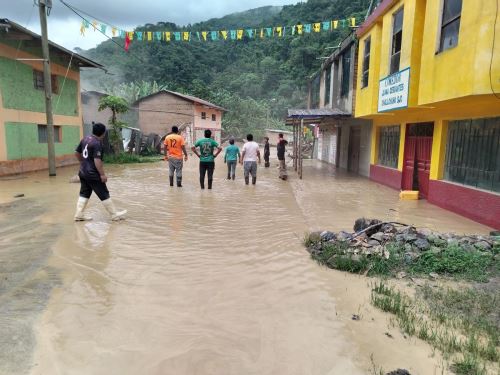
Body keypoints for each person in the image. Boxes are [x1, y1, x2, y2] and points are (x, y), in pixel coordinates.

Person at [74, 122, 127, 221]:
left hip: (83, 172)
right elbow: (97, 160)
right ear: (103, 133)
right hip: (92, 173)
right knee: (103, 193)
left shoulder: (85, 139)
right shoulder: (97, 143)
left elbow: (77, 153)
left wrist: (83, 162)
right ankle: (114, 215)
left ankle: (79, 214)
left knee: (85, 193)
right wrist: (102, 174)